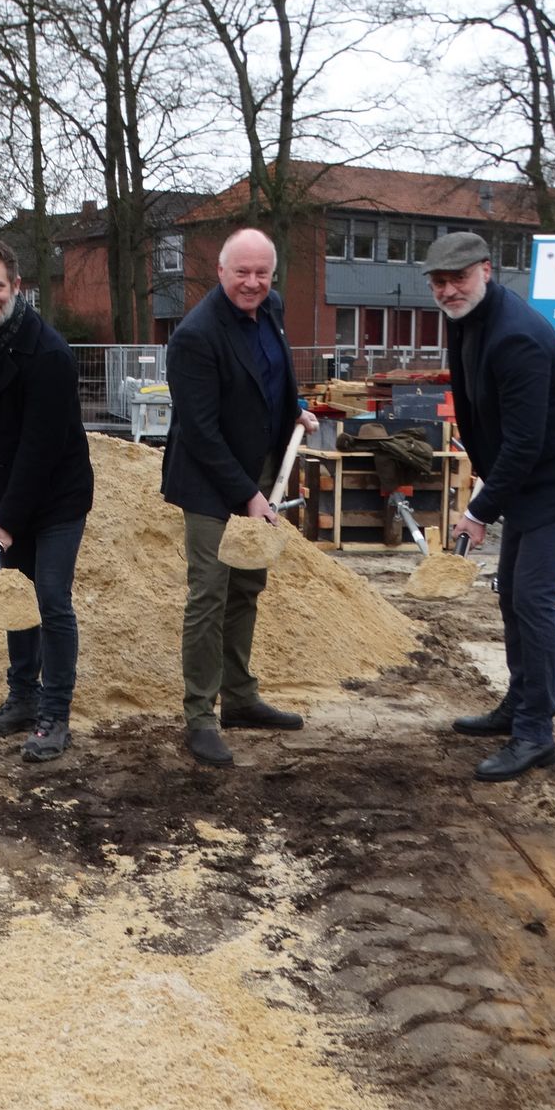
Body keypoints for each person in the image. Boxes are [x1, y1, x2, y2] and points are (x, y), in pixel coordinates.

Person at [428, 231, 555, 783]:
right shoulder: (468, 318)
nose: (448, 290)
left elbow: (525, 442)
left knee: (534, 599)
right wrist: (489, 488)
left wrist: (479, 511)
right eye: (439, 282)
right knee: (512, 592)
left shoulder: (517, 336)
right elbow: (480, 413)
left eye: (458, 278)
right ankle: (519, 705)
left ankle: (536, 733)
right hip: (526, 478)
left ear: (486, 270)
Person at [162, 228, 318, 768]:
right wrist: (248, 497)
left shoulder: (271, 308)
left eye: (262, 273)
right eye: (242, 273)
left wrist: (293, 409)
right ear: (221, 271)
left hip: (260, 469)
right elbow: (201, 432)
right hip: (209, 480)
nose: (252, 283)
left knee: (248, 584)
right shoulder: (195, 336)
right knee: (210, 591)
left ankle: (241, 697)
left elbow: (271, 373)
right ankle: (200, 716)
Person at [0, 237, 94, 764]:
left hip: (56, 493)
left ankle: (54, 714)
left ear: (17, 286)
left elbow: (42, 444)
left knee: (51, 599)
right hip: (8, 483)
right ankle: (22, 698)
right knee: (16, 596)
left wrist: (8, 521)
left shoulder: (48, 353)